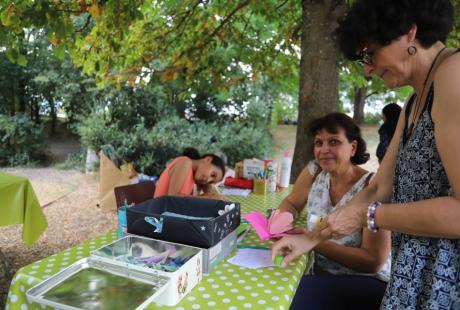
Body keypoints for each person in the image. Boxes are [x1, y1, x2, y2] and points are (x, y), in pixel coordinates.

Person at [272, 1, 460, 308]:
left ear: (409, 32)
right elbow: (378, 189)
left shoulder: (454, 74)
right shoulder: (413, 103)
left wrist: (368, 215)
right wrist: (311, 238)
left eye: (370, 54)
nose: (369, 68)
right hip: (413, 281)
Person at [271, 112, 390, 310]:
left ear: (352, 147)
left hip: (367, 282)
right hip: (323, 274)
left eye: (334, 142)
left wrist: (312, 241)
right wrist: (279, 222)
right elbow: (292, 203)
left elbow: (373, 261)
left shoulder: (372, 187)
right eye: (319, 143)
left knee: (284, 297)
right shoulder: (314, 172)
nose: (324, 150)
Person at [154, 147, 225, 198]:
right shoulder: (185, 162)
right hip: (159, 216)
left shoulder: (193, 177)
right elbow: (173, 199)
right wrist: (205, 197)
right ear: (207, 159)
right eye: (213, 175)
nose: (208, 180)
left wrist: (207, 191)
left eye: (211, 182)